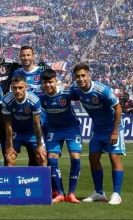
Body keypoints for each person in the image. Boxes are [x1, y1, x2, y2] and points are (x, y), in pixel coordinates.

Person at [70, 63, 124, 205]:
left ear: (89, 75)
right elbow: (64, 97)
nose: (80, 79)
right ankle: (99, 193)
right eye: (77, 76)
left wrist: (115, 131)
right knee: (93, 158)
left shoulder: (101, 90)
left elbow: (118, 108)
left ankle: (116, 194)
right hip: (98, 128)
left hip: (113, 128)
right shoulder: (76, 89)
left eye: (83, 75)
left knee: (114, 157)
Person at [35, 69, 82, 203]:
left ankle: (71, 193)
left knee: (75, 157)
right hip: (54, 129)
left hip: (71, 128)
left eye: (50, 82)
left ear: (56, 81)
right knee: (52, 159)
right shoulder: (40, 95)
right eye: (45, 83)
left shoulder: (67, 93)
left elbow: (83, 95)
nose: (48, 85)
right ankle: (60, 193)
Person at [2, 75, 47, 167]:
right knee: (9, 158)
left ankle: (44, 181)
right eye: (14, 88)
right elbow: (8, 124)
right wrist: (10, 146)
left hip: (32, 133)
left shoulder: (34, 100)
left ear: (26, 87)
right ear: (11, 88)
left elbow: (36, 124)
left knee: (41, 157)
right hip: (16, 132)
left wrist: (39, 145)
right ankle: (10, 181)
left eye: (20, 87)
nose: (17, 91)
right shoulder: (6, 101)